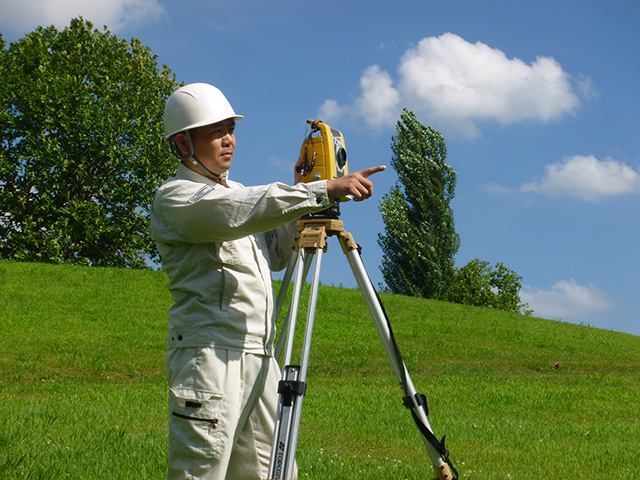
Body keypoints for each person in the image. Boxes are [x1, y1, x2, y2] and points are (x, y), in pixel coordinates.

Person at [150, 82, 385, 480]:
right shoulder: (176, 198)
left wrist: (301, 194)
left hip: (260, 354)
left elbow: (276, 255)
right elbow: (233, 213)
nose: (228, 140)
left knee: (274, 473)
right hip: (208, 357)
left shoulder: (241, 196)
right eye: (216, 132)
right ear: (184, 144)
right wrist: (319, 189)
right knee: (201, 472)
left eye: (231, 129)